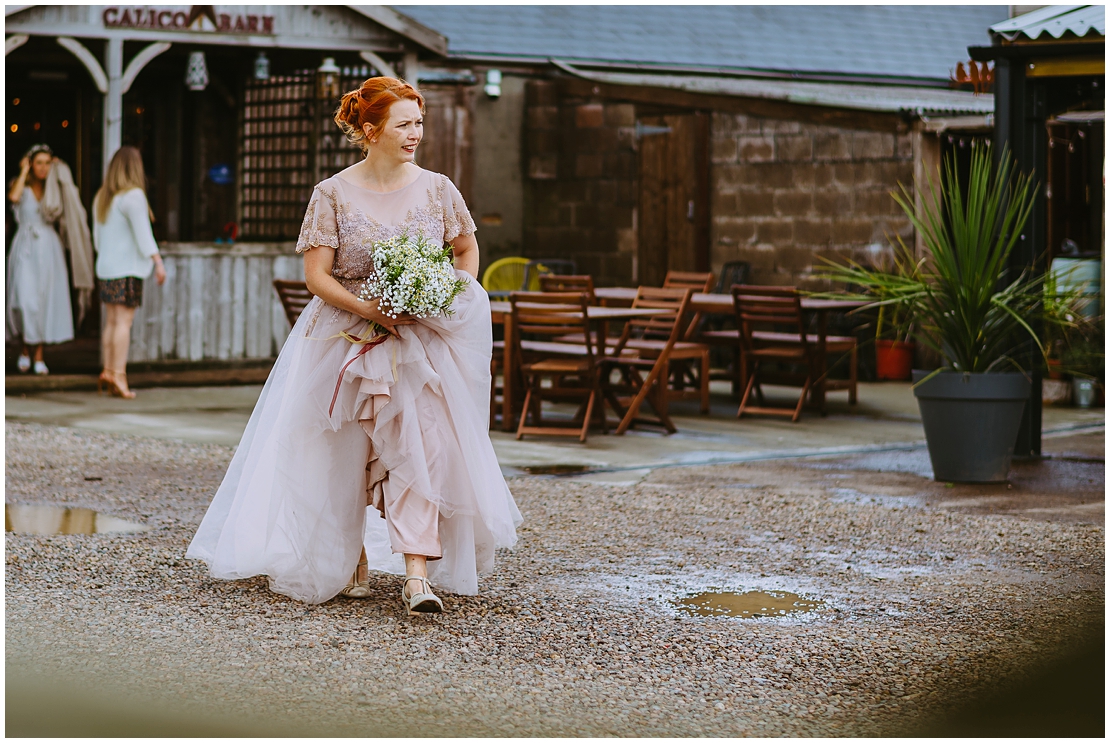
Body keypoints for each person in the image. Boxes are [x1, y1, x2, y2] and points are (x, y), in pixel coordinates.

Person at [187, 77, 521, 612]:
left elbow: (465, 251)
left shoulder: (438, 188)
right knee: (341, 450)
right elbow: (316, 275)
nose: (416, 134)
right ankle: (351, 556)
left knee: (422, 447)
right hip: (343, 337)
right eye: (404, 124)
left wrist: (437, 295)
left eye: (419, 123)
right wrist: (369, 308)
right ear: (371, 131)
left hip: (417, 342)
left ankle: (417, 574)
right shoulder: (332, 193)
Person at [6, 144, 89, 374]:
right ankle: (24, 348)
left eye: (47, 163)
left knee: (44, 301)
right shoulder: (18, 184)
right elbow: (12, 197)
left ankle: (39, 353)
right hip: (25, 245)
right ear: (31, 163)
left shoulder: (54, 188)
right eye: (38, 163)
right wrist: (23, 171)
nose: (43, 168)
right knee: (25, 299)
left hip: (48, 247)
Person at [92, 146, 167, 398]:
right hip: (127, 269)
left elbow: (97, 239)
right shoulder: (133, 196)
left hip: (106, 268)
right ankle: (119, 375)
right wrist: (158, 261)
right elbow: (144, 235)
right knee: (124, 322)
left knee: (112, 322)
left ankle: (107, 370)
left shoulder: (102, 197)